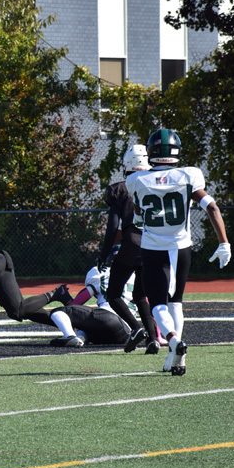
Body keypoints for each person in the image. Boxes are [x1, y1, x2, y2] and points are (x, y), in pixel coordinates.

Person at [126, 129, 231, 375]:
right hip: (181, 247)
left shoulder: (136, 180)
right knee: (176, 303)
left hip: (153, 248)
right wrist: (224, 242)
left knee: (157, 305)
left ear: (151, 152)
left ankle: (173, 341)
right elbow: (212, 207)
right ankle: (177, 360)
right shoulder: (189, 175)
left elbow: (139, 214)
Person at [97, 144, 160, 354]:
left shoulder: (120, 188)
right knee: (141, 295)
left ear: (127, 164)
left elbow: (113, 226)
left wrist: (104, 253)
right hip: (155, 243)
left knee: (113, 293)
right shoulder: (157, 184)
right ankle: (153, 339)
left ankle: (136, 329)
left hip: (132, 244)